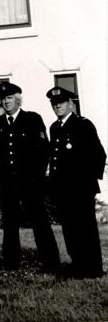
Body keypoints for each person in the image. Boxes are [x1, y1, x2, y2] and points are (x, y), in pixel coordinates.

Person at [0, 83, 60, 272]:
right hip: (7, 182)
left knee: (39, 222)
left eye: (10, 98)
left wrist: (37, 178)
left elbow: (44, 150)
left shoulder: (32, 119)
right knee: (9, 224)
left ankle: (51, 263)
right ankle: (11, 263)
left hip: (30, 182)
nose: (6, 101)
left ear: (18, 100)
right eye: (3, 98)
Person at [46, 87, 106, 278]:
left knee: (85, 228)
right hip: (62, 189)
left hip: (81, 189)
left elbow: (99, 155)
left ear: (70, 104)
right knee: (69, 229)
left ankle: (93, 268)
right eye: (54, 104)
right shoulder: (54, 127)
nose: (57, 106)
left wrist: (86, 183)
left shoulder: (83, 125)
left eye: (61, 103)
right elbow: (55, 160)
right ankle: (78, 264)